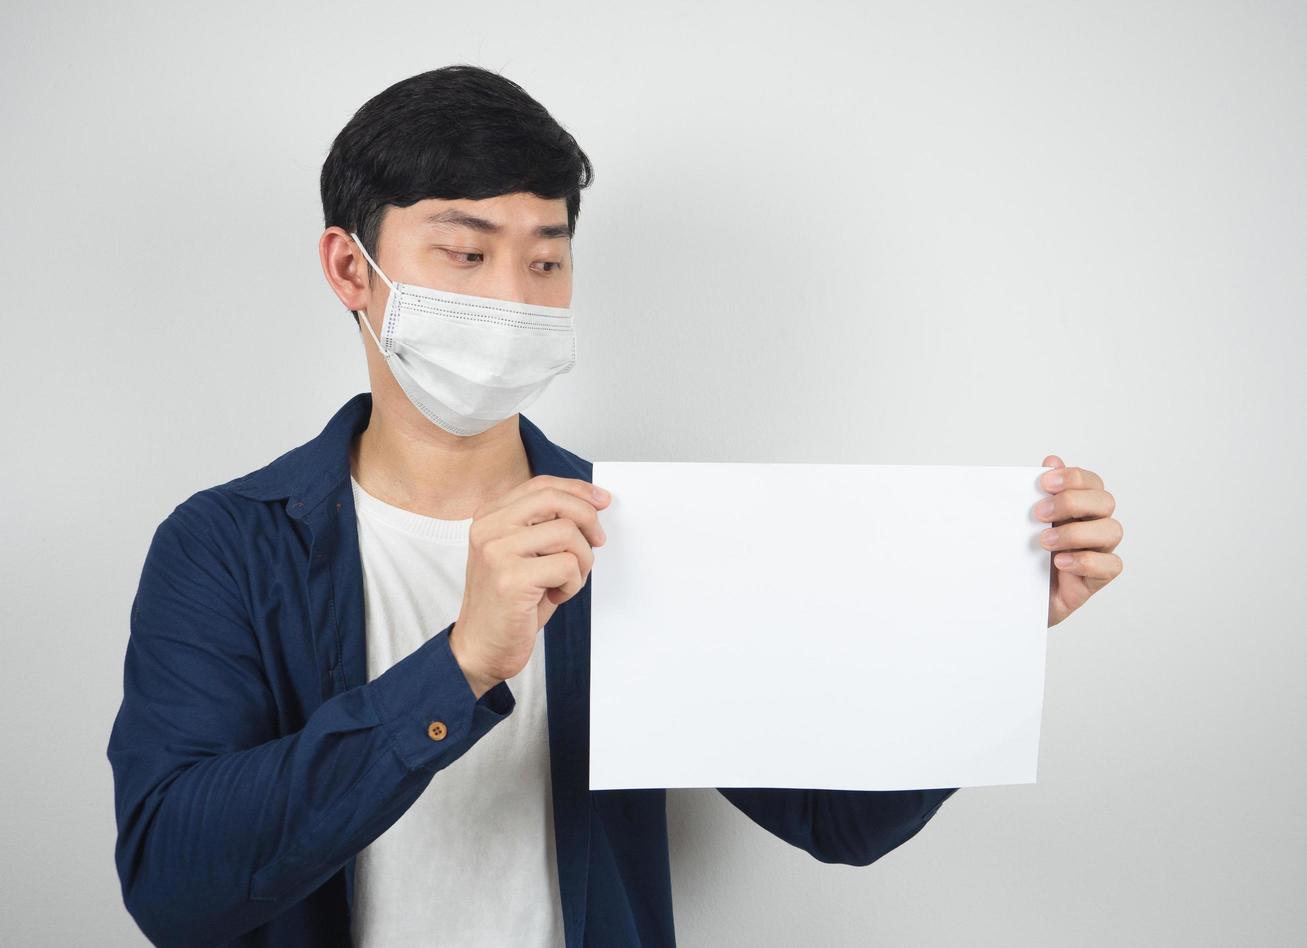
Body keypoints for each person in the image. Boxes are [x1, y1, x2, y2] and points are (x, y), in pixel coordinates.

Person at [106, 64, 963, 948]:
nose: (514, 297)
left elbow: (840, 817)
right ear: (348, 269)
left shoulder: (635, 536)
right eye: (467, 253)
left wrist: (986, 621)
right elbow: (175, 888)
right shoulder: (226, 545)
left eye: (546, 260)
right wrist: (461, 666)